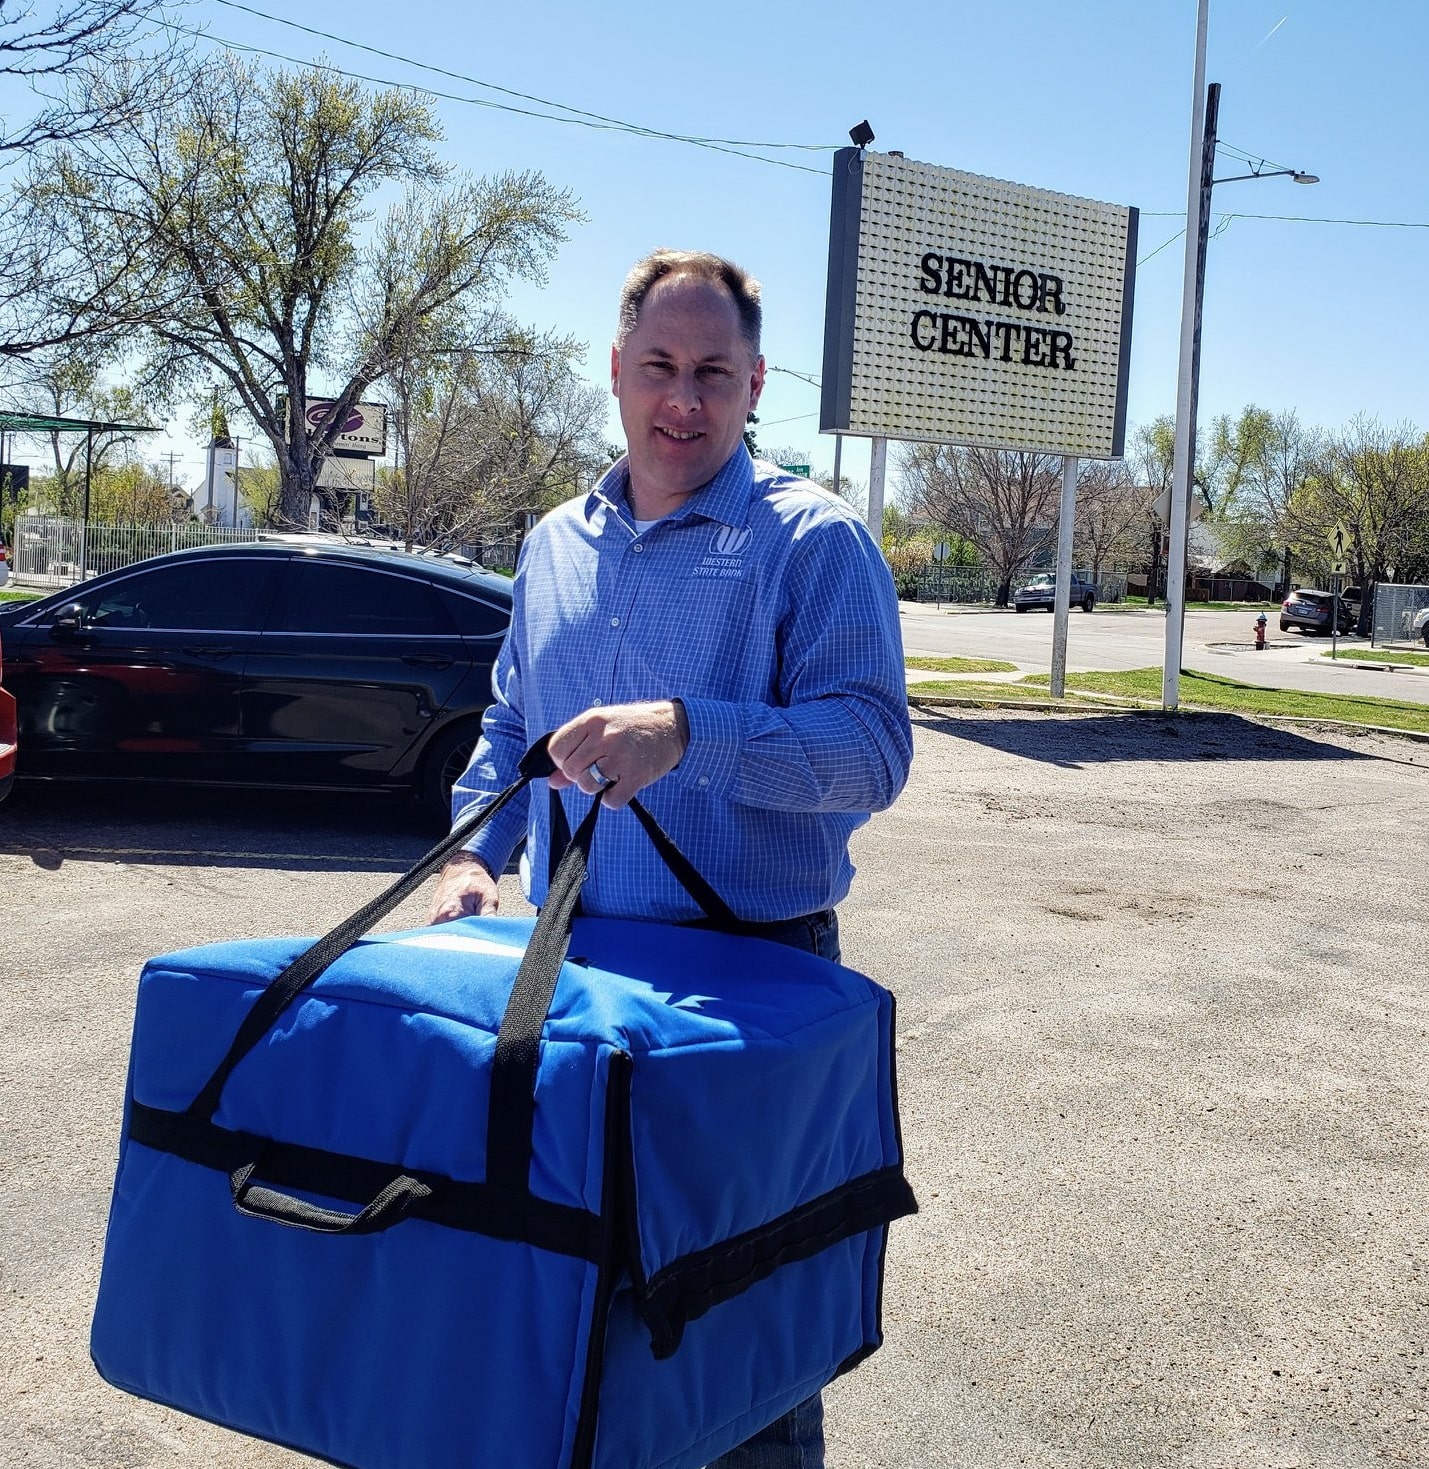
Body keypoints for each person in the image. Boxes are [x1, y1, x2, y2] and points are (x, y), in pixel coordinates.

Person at [426, 247, 913, 1469]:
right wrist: (473, 856)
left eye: (711, 372)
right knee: (569, 1302)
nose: (681, 401)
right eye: (659, 367)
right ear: (616, 371)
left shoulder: (811, 541)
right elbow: (508, 727)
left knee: (735, 1339)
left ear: (755, 385)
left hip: (753, 988)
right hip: (570, 975)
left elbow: (871, 750)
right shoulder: (551, 544)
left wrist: (690, 732)